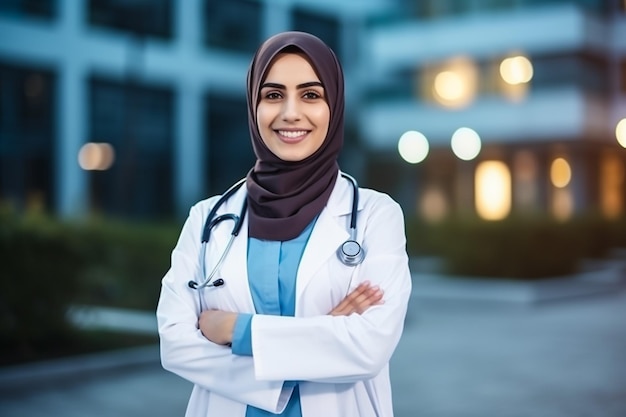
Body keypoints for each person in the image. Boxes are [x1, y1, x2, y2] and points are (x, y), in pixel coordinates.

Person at [156, 31, 412, 417]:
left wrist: (234, 330)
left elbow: (368, 348)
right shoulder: (206, 219)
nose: (290, 112)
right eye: (273, 95)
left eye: (311, 95)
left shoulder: (377, 215)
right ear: (253, 104)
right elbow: (175, 345)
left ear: (335, 105)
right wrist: (323, 336)